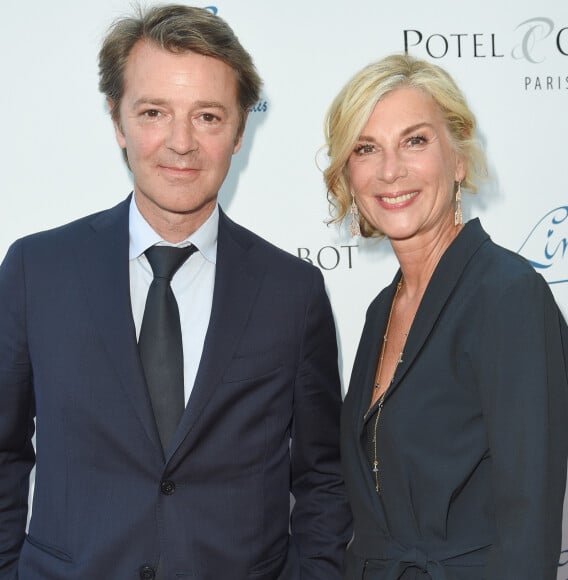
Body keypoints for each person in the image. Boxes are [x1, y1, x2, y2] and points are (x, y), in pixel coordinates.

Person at [0, 5, 351, 579]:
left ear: (239, 130)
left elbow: (321, 476)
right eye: (154, 112)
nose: (181, 142)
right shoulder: (36, 271)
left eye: (208, 116)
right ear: (118, 120)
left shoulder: (293, 291)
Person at [323, 53, 568, 579]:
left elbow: (527, 527)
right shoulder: (380, 311)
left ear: (458, 159)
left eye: (415, 141)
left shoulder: (507, 297)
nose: (390, 170)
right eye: (366, 148)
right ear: (349, 171)